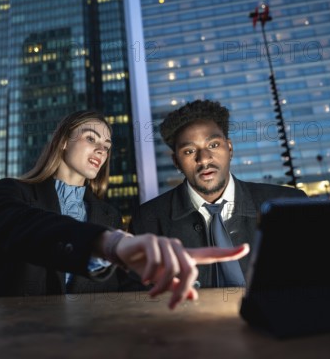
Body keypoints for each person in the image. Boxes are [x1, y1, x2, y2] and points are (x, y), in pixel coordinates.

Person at [0, 110, 249, 309]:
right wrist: (108, 243)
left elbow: (115, 286)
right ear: (63, 141)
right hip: (18, 325)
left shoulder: (108, 215)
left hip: (90, 332)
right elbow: (21, 226)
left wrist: (158, 277)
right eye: (91, 138)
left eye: (107, 146)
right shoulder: (11, 191)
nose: (101, 149)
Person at [130, 100, 307, 288]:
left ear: (229, 148)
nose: (204, 159)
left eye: (213, 145)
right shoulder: (146, 221)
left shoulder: (288, 204)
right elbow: (133, 298)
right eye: (189, 151)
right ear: (176, 162)